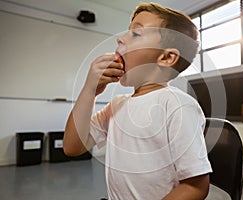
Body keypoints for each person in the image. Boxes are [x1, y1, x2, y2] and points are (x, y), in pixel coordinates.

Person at [63, 3, 212, 200]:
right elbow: (72, 147)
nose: (120, 38)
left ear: (167, 57)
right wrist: (90, 90)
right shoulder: (116, 106)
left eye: (136, 34)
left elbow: (196, 187)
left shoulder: (177, 105)